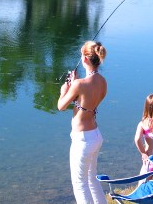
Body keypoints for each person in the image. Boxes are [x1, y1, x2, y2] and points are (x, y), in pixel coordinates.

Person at [57, 41, 107, 204]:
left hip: (83, 140)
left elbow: (61, 106)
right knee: (92, 180)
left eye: (81, 55)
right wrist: (75, 87)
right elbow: (87, 101)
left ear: (85, 58)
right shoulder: (102, 81)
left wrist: (64, 91)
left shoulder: (79, 85)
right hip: (95, 136)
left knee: (80, 184)